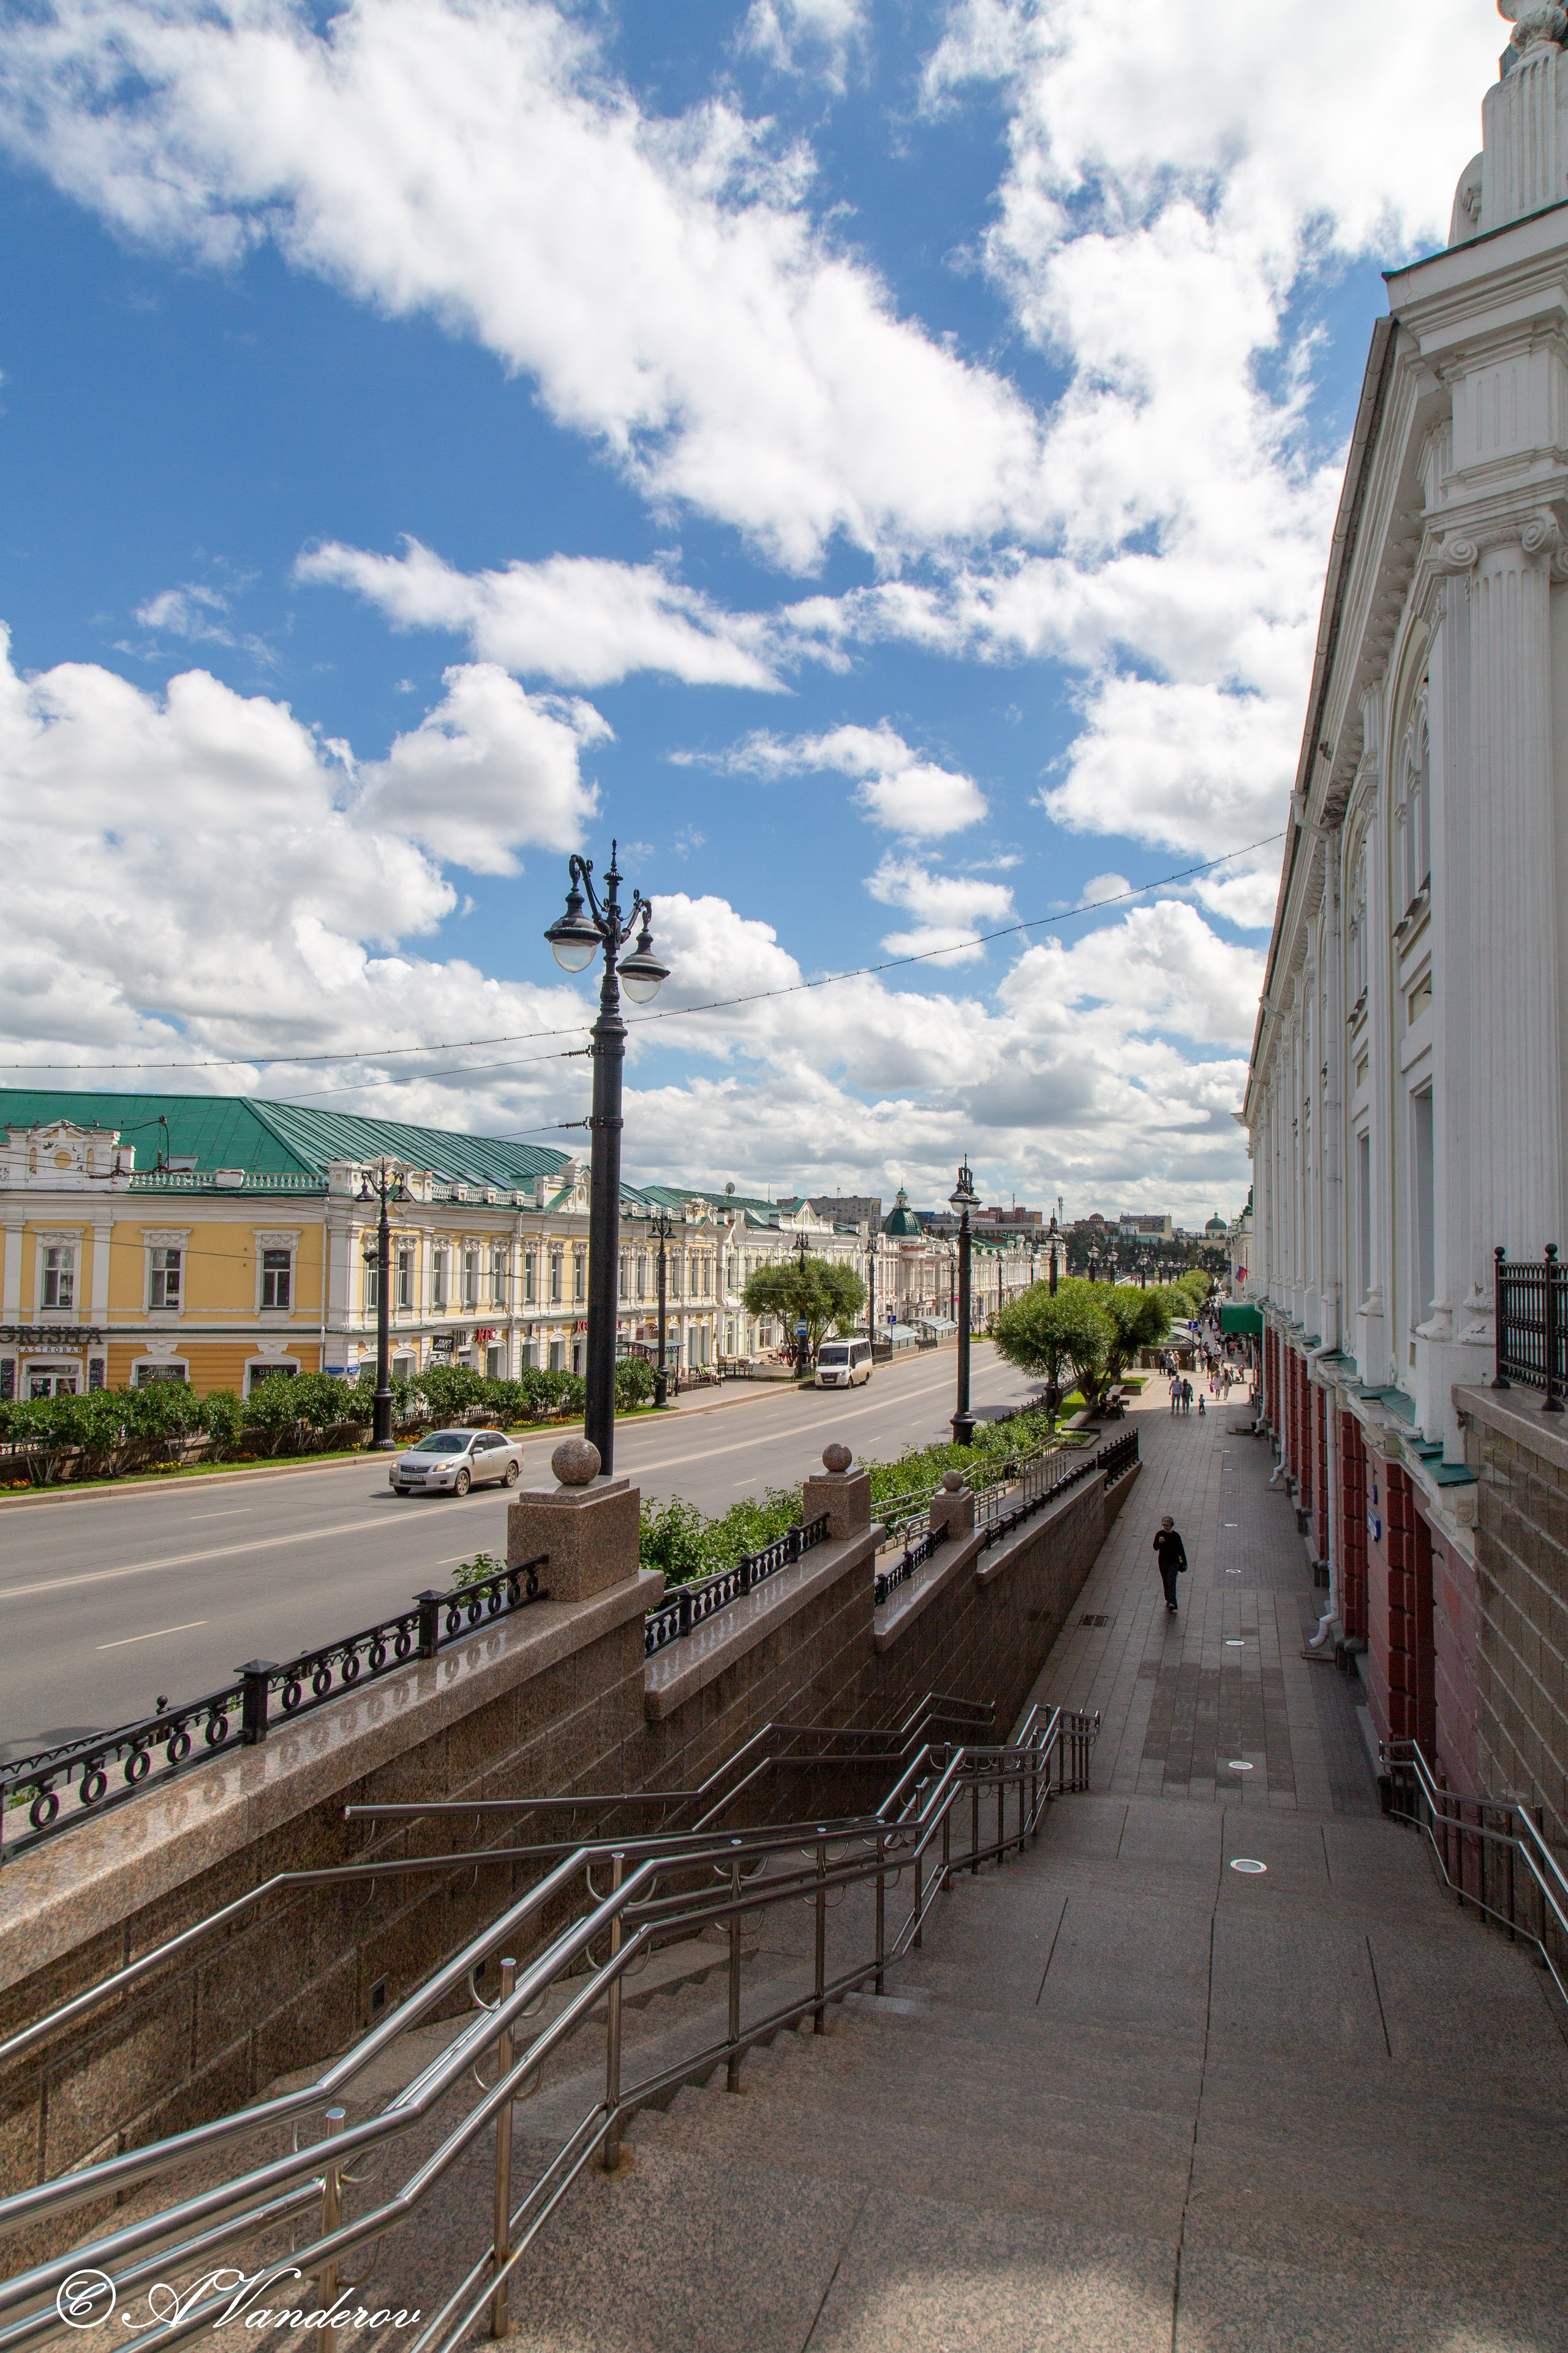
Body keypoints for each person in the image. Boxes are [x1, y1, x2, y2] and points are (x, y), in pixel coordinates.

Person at [1152, 1516, 1188, 1612]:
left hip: (1174, 1562)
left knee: (1171, 1581)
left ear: (1171, 1525)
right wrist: (1159, 1543)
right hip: (1163, 1562)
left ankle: (1173, 1602)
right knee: (1166, 1581)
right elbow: (1155, 1547)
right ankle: (1168, 1600)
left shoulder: (1176, 1536)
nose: (1166, 1527)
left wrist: (1183, 1562)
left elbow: (1180, 1549)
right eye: (1164, 1525)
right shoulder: (1160, 1534)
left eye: (1167, 1525)